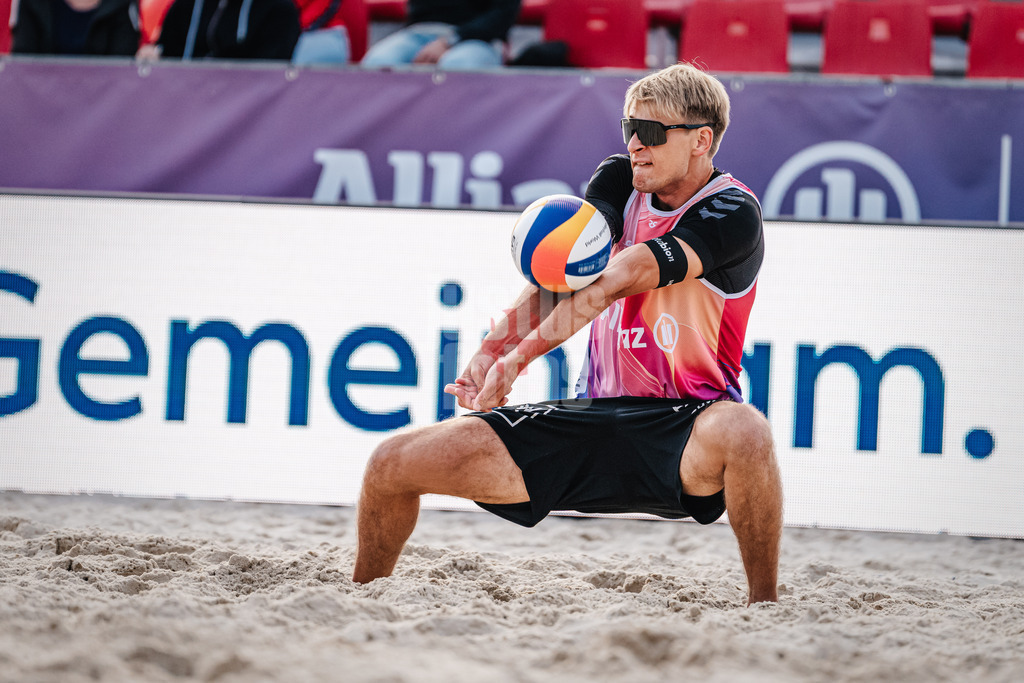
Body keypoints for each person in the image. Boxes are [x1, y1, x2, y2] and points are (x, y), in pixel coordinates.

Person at [352, 63, 783, 605]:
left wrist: (519, 359)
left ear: (701, 140)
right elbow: (565, 276)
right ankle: (362, 602)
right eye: (629, 128)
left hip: (685, 429)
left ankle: (763, 608)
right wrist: (490, 352)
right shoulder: (617, 179)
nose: (634, 145)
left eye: (650, 133)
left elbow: (614, 281)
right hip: (594, 418)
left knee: (747, 431)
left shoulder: (733, 210)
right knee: (390, 464)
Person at [360, 0, 520, 70]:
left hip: (479, 40)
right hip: (420, 34)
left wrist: (449, 41)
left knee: (456, 67)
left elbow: (502, 15)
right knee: (377, 62)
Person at [151, 0, 299, 59]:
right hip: (186, 109)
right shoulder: (185, 7)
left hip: (250, 115)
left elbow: (270, 77)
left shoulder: (279, 9)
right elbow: (167, 54)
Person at [12, 0, 140, 56]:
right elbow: (23, 61)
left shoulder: (122, 5)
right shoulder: (33, 3)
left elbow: (122, 68)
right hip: (41, 101)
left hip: (104, 106)